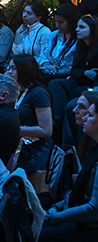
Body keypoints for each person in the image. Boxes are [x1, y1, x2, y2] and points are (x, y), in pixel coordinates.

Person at [31, 90, 98, 242]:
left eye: (90, 114)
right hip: (88, 225)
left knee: (50, 237)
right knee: (48, 229)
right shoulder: (92, 146)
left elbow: (94, 209)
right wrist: (59, 209)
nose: (83, 117)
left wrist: (59, 215)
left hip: (95, 231)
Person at [49, 14, 98, 146]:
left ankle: (68, 145)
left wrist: (82, 73)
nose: (77, 30)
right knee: (55, 83)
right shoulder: (80, 47)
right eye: (77, 27)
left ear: (92, 29)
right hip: (79, 81)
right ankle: (57, 121)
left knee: (71, 104)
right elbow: (73, 69)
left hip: (92, 87)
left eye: (82, 27)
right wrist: (85, 72)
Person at [6, 54, 53, 171]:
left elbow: (46, 130)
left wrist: (14, 130)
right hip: (17, 144)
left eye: (13, 68)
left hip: (35, 149)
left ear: (24, 70)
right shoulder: (15, 92)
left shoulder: (38, 93)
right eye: (8, 68)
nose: (9, 72)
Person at [38, 3, 79, 80]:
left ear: (71, 22)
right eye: (56, 21)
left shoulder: (79, 38)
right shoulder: (53, 35)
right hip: (50, 71)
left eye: (61, 22)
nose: (57, 25)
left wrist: (57, 70)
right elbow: (44, 54)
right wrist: (47, 65)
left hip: (67, 75)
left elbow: (76, 66)